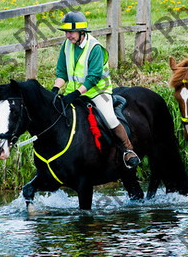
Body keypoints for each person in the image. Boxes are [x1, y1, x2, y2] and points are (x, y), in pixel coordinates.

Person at [51, 10, 141, 168]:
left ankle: (128, 150)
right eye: (66, 32)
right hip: (73, 93)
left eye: (71, 32)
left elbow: (93, 77)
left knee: (110, 118)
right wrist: (55, 89)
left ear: (81, 32)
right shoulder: (67, 45)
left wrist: (75, 93)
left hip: (98, 92)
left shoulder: (95, 48)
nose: (67, 36)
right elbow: (62, 72)